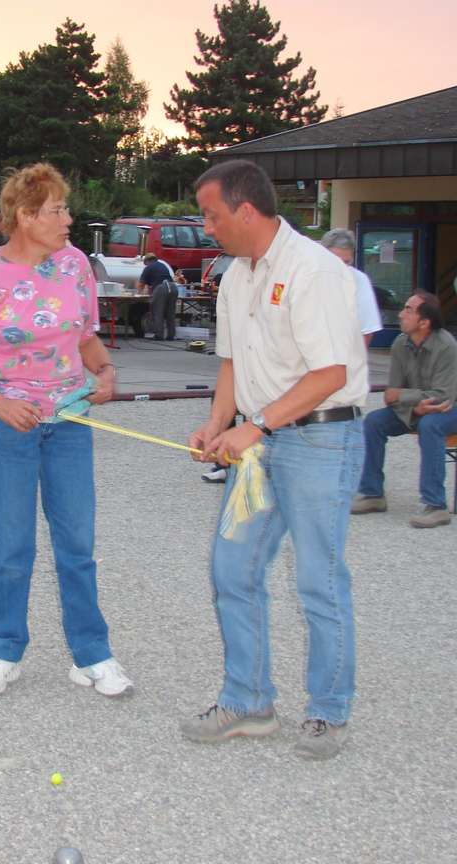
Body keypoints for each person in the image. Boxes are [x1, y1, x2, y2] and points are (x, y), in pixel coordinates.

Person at [183, 159, 367, 761]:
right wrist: (218, 423)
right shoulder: (237, 275)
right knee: (232, 569)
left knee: (318, 580)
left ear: (245, 210)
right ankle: (250, 700)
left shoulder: (314, 271)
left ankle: (327, 711)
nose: (205, 226)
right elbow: (233, 363)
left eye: (211, 215)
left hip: (320, 440)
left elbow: (332, 374)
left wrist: (256, 426)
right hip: (261, 445)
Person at [0, 162, 133, 698]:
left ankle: (92, 655)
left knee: (77, 543)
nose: (67, 219)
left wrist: (106, 371)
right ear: (25, 216)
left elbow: (85, 337)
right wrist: (0, 405)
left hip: (69, 423)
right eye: (57, 210)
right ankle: (3, 650)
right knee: (11, 545)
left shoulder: (75, 267)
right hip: (8, 429)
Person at [352, 290, 457, 528]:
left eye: (408, 309)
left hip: (450, 408)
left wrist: (405, 398)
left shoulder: (446, 346)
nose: (400, 314)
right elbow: (391, 395)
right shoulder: (400, 342)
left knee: (431, 426)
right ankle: (372, 494)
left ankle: (436, 505)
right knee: (374, 422)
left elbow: (443, 396)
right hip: (414, 409)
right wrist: (413, 406)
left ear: (424, 322)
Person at [320, 229, 382, 346]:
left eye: (346, 262)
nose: (341, 268)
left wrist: (353, 362)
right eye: (335, 261)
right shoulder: (304, 277)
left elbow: (366, 330)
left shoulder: (360, 280)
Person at [136, 253, 178, 341]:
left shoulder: (149, 268)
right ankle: (171, 335)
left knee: (158, 312)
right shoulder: (162, 265)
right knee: (170, 313)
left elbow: (141, 284)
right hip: (173, 287)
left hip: (161, 288)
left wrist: (138, 293)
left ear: (147, 261)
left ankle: (159, 335)